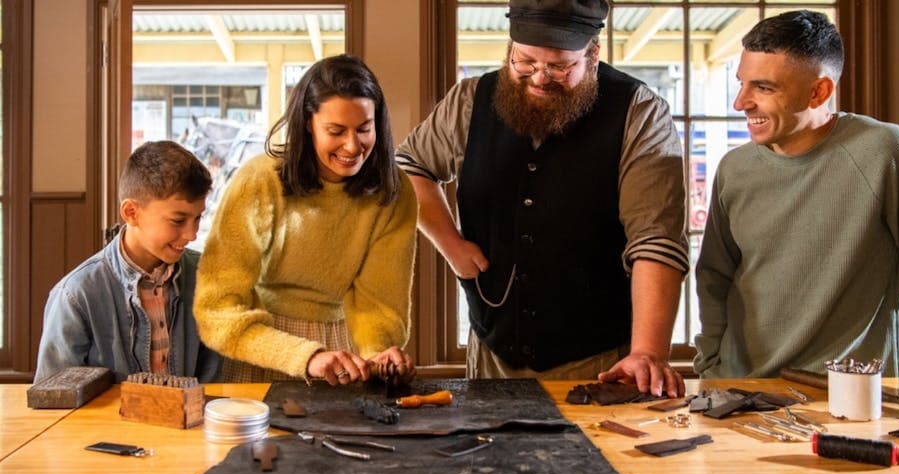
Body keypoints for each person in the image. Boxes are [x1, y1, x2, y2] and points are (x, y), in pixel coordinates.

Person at [694, 10, 899, 417]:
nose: (740, 102)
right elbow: (715, 276)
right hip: (737, 398)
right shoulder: (735, 168)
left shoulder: (890, 153)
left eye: (763, 87)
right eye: (742, 83)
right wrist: (710, 369)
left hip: (847, 402)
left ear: (818, 92)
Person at [396, 0, 688, 397]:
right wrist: (450, 245)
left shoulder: (640, 114)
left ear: (593, 54)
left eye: (559, 67)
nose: (538, 78)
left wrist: (648, 352)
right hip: (492, 352)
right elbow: (408, 165)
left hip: (596, 361)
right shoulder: (469, 101)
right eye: (524, 61)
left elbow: (655, 240)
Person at [194, 54, 417, 385]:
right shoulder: (258, 181)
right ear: (307, 124)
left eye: (364, 129)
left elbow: (379, 305)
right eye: (336, 130)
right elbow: (216, 311)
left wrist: (378, 353)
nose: (353, 145)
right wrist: (305, 356)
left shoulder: (393, 191)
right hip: (263, 350)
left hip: (344, 357)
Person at [35, 141, 221, 382]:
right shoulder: (75, 295)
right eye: (177, 221)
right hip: (107, 421)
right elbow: (54, 397)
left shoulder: (206, 277)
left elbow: (213, 385)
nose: (191, 234)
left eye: (197, 218)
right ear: (131, 213)